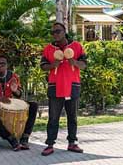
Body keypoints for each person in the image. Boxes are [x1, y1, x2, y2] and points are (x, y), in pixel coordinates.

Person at [40, 22, 87, 156]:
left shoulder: (76, 46)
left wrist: (75, 62)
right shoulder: (48, 49)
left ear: (64, 31)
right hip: (55, 86)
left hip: (72, 86)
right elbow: (43, 66)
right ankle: (50, 144)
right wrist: (53, 65)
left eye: (58, 31)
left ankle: (72, 143)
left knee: (72, 117)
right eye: (53, 32)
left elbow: (84, 65)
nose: (55, 34)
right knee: (53, 117)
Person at [0, 55, 38, 151]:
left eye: (2, 63)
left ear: (7, 65)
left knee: (33, 106)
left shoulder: (13, 76)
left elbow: (19, 94)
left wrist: (14, 90)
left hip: (9, 103)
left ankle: (25, 138)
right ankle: (10, 139)